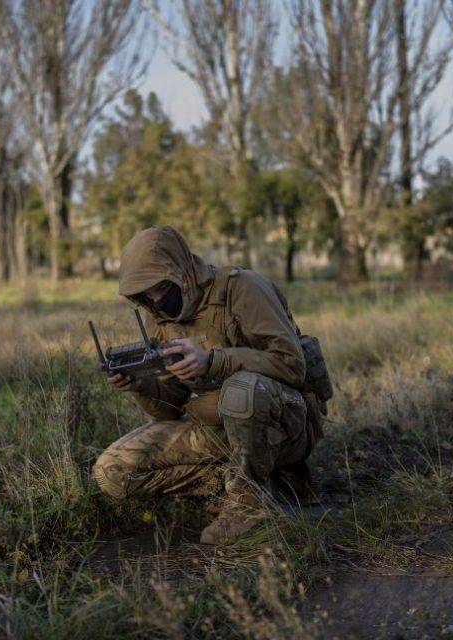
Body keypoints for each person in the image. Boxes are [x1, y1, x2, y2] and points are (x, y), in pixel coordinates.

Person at [92, 226, 326, 545]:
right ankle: (241, 481)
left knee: (241, 390)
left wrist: (213, 361)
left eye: (160, 287)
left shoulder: (243, 289)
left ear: (180, 270)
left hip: (286, 424)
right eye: (145, 295)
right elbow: (170, 411)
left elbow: (292, 364)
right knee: (112, 471)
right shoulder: (159, 318)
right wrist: (142, 384)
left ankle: (248, 506)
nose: (155, 300)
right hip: (219, 427)